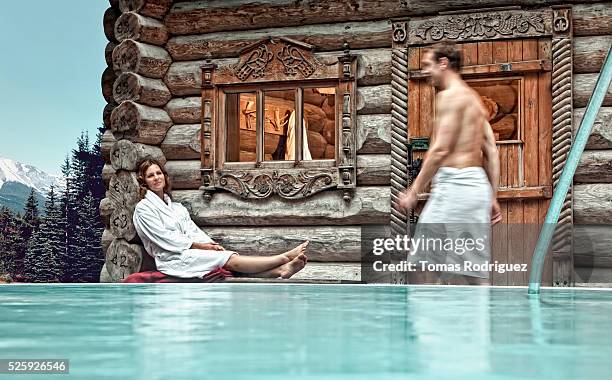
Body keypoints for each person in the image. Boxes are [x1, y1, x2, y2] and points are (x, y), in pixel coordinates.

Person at [399, 42, 502, 285]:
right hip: (476, 187)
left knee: (423, 266)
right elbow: (492, 152)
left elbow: (439, 150)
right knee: (473, 269)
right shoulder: (475, 102)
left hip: (454, 186)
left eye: (427, 65)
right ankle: (478, 320)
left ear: (443, 63)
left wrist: (414, 191)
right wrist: (492, 196)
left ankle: (429, 321)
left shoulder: (449, 96)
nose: (425, 71)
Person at [133, 159, 309, 280]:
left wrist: (212, 245)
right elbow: (164, 238)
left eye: (158, 173)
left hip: (188, 251)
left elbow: (193, 231)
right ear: (144, 182)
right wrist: (201, 247)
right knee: (230, 259)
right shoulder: (143, 209)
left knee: (224, 260)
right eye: (150, 175)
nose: (156, 178)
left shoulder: (176, 208)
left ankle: (279, 270)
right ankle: (283, 258)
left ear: (164, 176)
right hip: (171, 258)